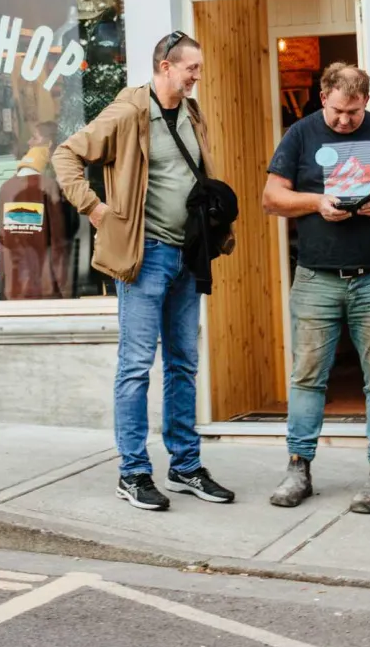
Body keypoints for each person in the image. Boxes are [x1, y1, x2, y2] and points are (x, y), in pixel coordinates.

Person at [53, 31, 234, 512]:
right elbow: (65, 155)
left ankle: (185, 465)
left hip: (186, 254)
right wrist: (93, 208)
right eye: (191, 68)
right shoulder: (130, 112)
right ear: (165, 66)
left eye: (197, 67)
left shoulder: (190, 112)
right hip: (146, 255)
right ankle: (132, 473)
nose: (197, 75)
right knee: (136, 367)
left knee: (183, 363)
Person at [262, 62, 370, 515]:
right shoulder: (300, 135)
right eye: (338, 111)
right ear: (323, 98)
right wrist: (317, 202)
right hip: (316, 278)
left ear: (365, 103)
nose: (344, 121)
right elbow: (271, 198)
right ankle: (298, 469)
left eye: (354, 113)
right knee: (306, 378)